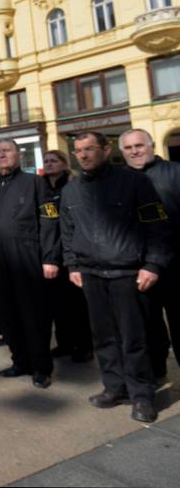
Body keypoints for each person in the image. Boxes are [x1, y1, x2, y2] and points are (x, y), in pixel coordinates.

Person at [61, 131, 172, 423]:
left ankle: (142, 396)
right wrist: (72, 265)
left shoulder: (135, 181)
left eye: (89, 149)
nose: (83, 155)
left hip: (128, 273)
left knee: (135, 339)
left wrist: (153, 265)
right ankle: (114, 387)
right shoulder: (71, 190)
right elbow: (67, 231)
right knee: (104, 337)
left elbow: (157, 226)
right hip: (91, 275)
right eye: (78, 151)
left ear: (106, 150)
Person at [0, 140, 60, 389]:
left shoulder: (35, 182)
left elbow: (49, 221)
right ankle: (20, 361)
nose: (2, 155)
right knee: (8, 314)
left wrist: (50, 258)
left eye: (7, 151)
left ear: (19, 154)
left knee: (34, 315)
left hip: (29, 258)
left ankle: (41, 368)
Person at [119, 128, 180, 378]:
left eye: (139, 145)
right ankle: (157, 371)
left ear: (151, 145)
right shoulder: (118, 180)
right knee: (148, 326)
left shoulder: (176, 172)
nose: (135, 151)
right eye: (129, 148)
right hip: (137, 266)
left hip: (176, 264)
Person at [43, 150, 92, 362]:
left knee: (77, 305)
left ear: (64, 164)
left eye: (54, 161)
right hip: (48, 253)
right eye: (46, 161)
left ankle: (83, 345)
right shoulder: (41, 186)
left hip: (70, 252)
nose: (49, 164)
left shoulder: (73, 186)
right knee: (56, 305)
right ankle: (64, 343)